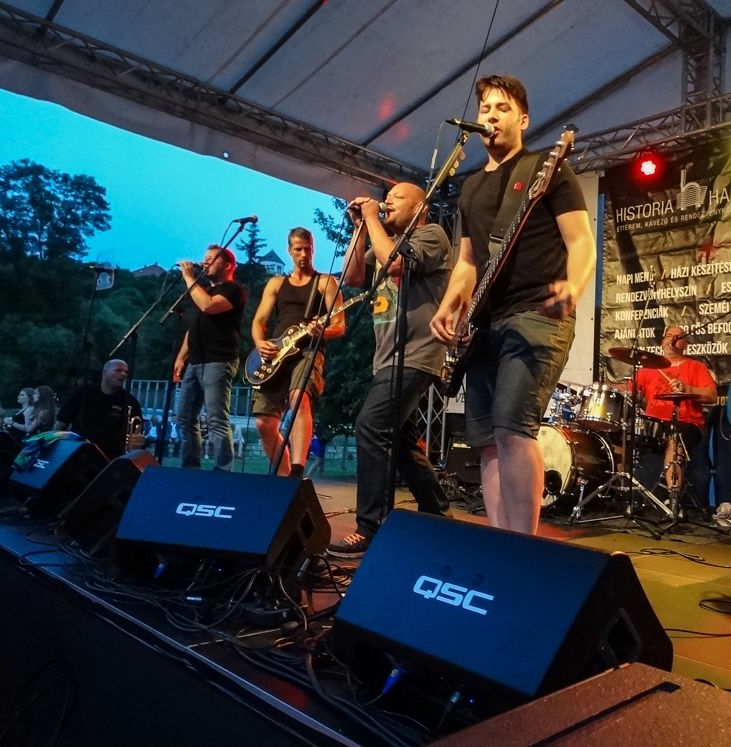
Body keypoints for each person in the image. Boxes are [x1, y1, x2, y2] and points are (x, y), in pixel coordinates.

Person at [430, 75, 596, 535]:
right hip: (484, 323)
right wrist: (448, 305)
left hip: (536, 315)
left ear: (523, 120)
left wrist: (574, 286)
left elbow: (582, 241)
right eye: (485, 108)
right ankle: (499, 544)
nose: (491, 116)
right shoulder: (469, 187)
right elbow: (468, 262)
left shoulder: (546, 167)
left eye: (502, 108)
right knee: (485, 440)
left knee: (511, 427)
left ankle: (522, 548)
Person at [327, 183, 453, 557]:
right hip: (387, 357)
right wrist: (359, 228)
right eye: (388, 197)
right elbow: (352, 277)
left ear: (420, 208)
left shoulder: (432, 234)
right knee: (401, 442)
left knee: (371, 425)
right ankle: (438, 516)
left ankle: (370, 526)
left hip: (416, 353)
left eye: (398, 198)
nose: (388, 202)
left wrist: (371, 217)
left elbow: (396, 264)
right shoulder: (385, 241)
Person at [251, 227, 344, 477]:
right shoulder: (276, 283)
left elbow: (339, 325)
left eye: (308, 249)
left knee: (298, 397)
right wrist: (260, 343)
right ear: (289, 250)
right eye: (298, 249)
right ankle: (284, 478)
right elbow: (259, 320)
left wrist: (322, 332)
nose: (304, 254)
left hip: (308, 351)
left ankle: (297, 469)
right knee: (263, 422)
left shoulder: (325, 282)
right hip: (276, 354)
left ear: (313, 249)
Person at [173, 245, 247, 471]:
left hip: (218, 360)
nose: (205, 262)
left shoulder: (234, 290)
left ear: (228, 265)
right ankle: (191, 467)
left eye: (211, 259)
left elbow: (208, 306)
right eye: (204, 258)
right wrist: (181, 357)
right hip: (196, 361)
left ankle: (223, 471)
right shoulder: (203, 290)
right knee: (185, 417)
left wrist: (188, 277)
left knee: (216, 418)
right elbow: (194, 328)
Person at [633, 326, 717, 493]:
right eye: (669, 336)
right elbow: (629, 391)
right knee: (622, 435)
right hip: (653, 426)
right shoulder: (648, 368)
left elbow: (712, 396)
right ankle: (626, 494)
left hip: (687, 424)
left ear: (686, 344)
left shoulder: (696, 367)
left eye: (678, 337)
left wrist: (686, 389)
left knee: (674, 436)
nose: (672, 339)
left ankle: (673, 497)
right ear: (662, 341)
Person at [55, 359, 143, 461]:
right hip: (77, 456)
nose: (123, 374)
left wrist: (136, 444)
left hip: (110, 461)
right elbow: (61, 423)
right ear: (104, 372)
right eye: (118, 370)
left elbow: (135, 437)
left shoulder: (130, 402)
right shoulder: (83, 394)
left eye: (126, 372)